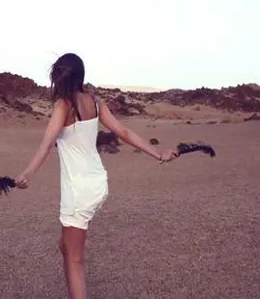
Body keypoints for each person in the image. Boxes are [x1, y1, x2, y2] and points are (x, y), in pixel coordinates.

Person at [14, 53, 178, 299]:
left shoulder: (63, 106)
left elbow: (47, 144)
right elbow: (123, 132)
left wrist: (28, 173)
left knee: (75, 259)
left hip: (79, 190)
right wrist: (157, 153)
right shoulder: (96, 102)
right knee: (65, 246)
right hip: (97, 183)